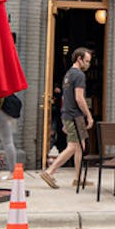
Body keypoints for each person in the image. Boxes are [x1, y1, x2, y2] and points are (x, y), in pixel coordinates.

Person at [42, 47, 94, 188]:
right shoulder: (79, 75)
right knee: (73, 146)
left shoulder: (68, 74)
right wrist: (89, 116)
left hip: (68, 114)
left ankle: (78, 178)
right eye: (87, 61)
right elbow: (79, 98)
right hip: (75, 116)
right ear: (79, 59)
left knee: (80, 146)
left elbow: (66, 97)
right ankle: (49, 171)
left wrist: (65, 117)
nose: (88, 64)